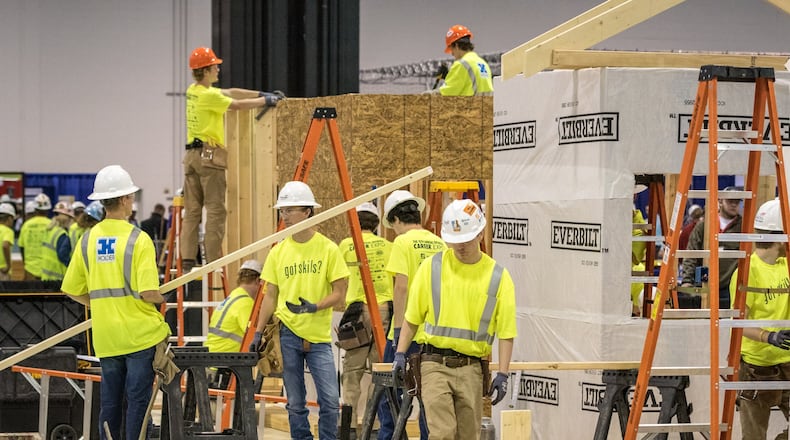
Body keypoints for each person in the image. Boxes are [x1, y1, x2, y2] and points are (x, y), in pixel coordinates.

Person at [62, 165, 170, 440]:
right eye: (131, 197)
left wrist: (100, 304)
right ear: (124, 200)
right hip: (139, 337)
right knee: (137, 402)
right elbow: (148, 292)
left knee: (109, 403)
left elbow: (72, 289)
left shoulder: (87, 239)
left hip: (107, 337)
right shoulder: (138, 239)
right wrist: (163, 298)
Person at [393, 199, 517, 439]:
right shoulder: (432, 268)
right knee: (442, 433)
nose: (460, 246)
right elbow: (412, 318)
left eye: (466, 240)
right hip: (433, 364)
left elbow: (506, 332)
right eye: (455, 241)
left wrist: (502, 373)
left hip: (471, 368)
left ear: (481, 233)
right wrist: (400, 353)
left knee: (468, 435)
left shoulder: (498, 277)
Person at [250, 181, 349, 440]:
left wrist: (315, 306)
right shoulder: (278, 251)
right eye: (281, 211)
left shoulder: (328, 249)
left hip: (318, 337)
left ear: (307, 211)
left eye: (289, 210)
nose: (284, 216)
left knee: (329, 400)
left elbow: (340, 293)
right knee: (295, 402)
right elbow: (270, 296)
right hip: (287, 334)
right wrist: (257, 332)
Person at [180, 47, 282, 272]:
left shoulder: (194, 91)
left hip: (190, 157)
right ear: (206, 70)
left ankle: (187, 259)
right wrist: (266, 102)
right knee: (216, 209)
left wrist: (261, 94)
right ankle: (212, 260)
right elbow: (235, 105)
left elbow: (231, 92)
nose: (218, 68)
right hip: (209, 156)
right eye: (215, 66)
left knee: (193, 210)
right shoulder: (209, 96)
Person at [378, 189, 446, 440]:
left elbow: (402, 287)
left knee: (390, 397)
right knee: (430, 399)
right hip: (433, 334)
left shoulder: (403, 242)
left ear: (396, 220)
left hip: (408, 332)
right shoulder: (438, 243)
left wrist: (398, 334)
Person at [729, 198, 790, 440]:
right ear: (779, 235)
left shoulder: (786, 265)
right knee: (754, 436)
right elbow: (739, 324)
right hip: (757, 367)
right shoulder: (747, 271)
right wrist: (769, 336)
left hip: (787, 362)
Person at [337, 202, 393, 435]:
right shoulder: (388, 246)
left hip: (357, 313)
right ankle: (374, 426)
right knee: (379, 372)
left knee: (352, 373)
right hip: (383, 312)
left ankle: (348, 429)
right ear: (376, 223)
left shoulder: (346, 245)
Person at [681, 187, 743, 308]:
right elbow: (691, 253)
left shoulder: (743, 226)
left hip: (730, 286)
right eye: (730, 201)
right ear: (720, 201)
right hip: (704, 282)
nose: (734, 205)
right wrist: (687, 280)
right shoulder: (704, 226)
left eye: (737, 202)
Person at [205, 259, 262, 389]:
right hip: (225, 365)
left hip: (213, 361)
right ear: (258, 281)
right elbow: (253, 335)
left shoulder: (233, 297)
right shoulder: (245, 303)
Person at [439, 24, 493, 97]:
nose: (452, 53)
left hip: (469, 108)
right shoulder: (483, 63)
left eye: (451, 49)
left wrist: (425, 95)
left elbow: (445, 93)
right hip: (486, 107)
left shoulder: (461, 65)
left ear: (457, 45)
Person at [18, 193, 52, 280]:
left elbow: (22, 247)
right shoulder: (52, 225)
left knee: (31, 293)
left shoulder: (26, 225)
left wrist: (26, 264)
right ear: (48, 209)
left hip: (30, 269)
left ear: (35, 209)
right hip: (48, 269)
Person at [40, 201, 74, 281]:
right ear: (68, 218)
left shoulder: (49, 230)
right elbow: (63, 255)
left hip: (46, 276)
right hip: (58, 278)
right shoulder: (62, 234)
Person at [0, 203, 16, 281]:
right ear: (9, 218)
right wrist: (8, 266)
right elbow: (5, 245)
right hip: (2, 270)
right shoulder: (8, 231)